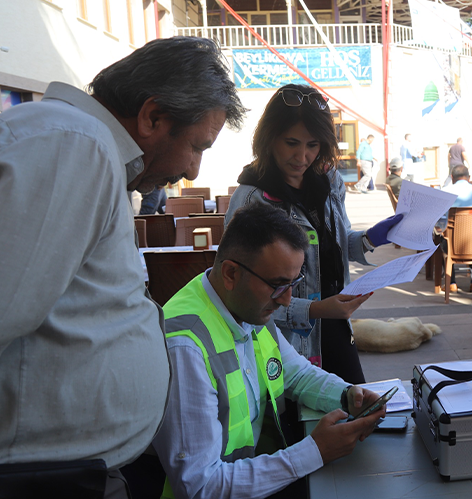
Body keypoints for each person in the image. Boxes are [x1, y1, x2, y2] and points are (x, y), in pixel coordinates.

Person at [0, 36, 245, 497]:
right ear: (153, 117)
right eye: (197, 146)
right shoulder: (72, 145)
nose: (193, 170)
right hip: (45, 479)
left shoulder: (79, 146)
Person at [153, 203, 384, 499]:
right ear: (231, 273)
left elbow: (296, 374)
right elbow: (200, 486)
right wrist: (314, 451)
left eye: (293, 283)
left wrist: (346, 395)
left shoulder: (246, 305)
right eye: (278, 286)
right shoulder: (185, 347)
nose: (287, 300)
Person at [226, 83, 402, 384]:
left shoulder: (328, 181)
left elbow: (337, 243)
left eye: (313, 145)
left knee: (356, 410)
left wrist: (373, 237)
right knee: (306, 423)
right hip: (284, 341)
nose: (302, 157)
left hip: (335, 325)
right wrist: (316, 308)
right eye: (291, 143)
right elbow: (243, 294)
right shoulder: (252, 198)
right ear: (269, 139)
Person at [437, 165, 472, 293]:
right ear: (469, 178)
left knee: (444, 239)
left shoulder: (445, 191)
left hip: (453, 245)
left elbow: (438, 218)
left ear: (452, 178)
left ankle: (452, 283)